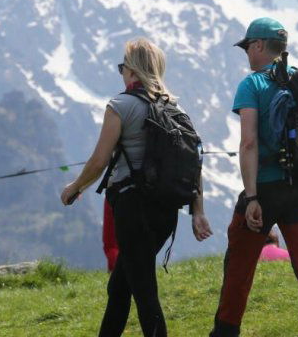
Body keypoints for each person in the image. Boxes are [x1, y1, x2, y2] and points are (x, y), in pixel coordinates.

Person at [59, 38, 212, 337]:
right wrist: (198, 211)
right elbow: (194, 161)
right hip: (166, 212)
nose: (121, 73)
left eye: (122, 67)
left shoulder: (120, 105)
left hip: (132, 208)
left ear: (133, 71)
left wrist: (76, 186)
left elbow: (100, 160)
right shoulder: (175, 109)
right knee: (120, 287)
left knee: (144, 291)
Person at [210, 17, 298, 337]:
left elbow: (248, 142)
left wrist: (251, 197)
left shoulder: (252, 85)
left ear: (260, 46)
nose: (247, 53)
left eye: (248, 46)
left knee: (239, 266)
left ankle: (224, 333)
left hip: (266, 186)